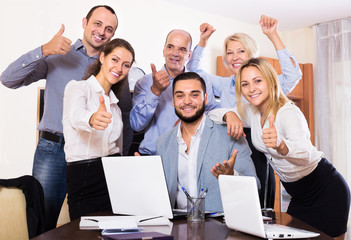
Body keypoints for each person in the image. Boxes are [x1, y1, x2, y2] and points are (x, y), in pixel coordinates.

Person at [0, 5, 133, 230]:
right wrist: (43, 50)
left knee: (91, 224)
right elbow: (8, 79)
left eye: (109, 29)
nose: (102, 31)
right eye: (97, 24)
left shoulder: (115, 68)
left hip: (93, 160)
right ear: (85, 22)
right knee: (43, 219)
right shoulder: (58, 54)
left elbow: (123, 118)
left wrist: (121, 162)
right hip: (52, 149)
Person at [209, 58, 350, 239]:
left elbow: (306, 153)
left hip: (325, 190)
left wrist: (282, 146)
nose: (251, 88)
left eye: (258, 81)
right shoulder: (251, 111)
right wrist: (229, 114)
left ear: (271, 81)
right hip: (298, 196)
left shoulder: (287, 112)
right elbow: (212, 113)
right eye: (245, 84)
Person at [187, 15, 303, 208]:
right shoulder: (224, 84)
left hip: (260, 149)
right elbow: (194, 72)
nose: (235, 57)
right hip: (230, 147)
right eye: (230, 53)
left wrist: (273, 35)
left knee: (260, 204)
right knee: (232, 204)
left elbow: (293, 75)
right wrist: (203, 41)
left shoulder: (267, 83)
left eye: (241, 51)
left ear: (252, 55)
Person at [156, 72, 259, 212]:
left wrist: (232, 177)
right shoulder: (163, 143)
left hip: (219, 226)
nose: (187, 101)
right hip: (177, 225)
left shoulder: (230, 135)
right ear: (173, 101)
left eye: (194, 95)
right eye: (180, 95)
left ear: (205, 98)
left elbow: (254, 186)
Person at [62, 38, 135, 220]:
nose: (119, 68)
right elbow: (76, 116)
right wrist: (92, 118)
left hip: (113, 176)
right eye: (115, 60)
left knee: (117, 231)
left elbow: (118, 147)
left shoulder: (115, 106)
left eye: (126, 65)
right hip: (85, 176)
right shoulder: (78, 88)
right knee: (85, 234)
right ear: (102, 57)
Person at [130, 29, 218, 155]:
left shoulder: (201, 81)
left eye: (182, 49)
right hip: (154, 156)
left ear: (189, 55)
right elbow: (136, 125)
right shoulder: (144, 82)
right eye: (170, 47)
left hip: (192, 155)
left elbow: (213, 114)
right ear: (164, 50)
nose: (175, 53)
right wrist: (154, 91)